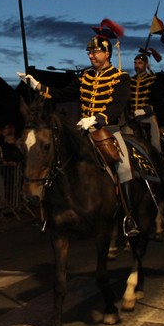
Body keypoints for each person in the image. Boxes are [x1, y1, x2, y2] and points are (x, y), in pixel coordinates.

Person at [18, 19, 137, 235]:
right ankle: (53, 212)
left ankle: (129, 216)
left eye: (95, 52)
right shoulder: (85, 77)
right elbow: (62, 94)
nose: (91, 55)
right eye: (89, 52)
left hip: (108, 130)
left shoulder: (121, 77)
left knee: (125, 168)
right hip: (82, 131)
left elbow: (118, 105)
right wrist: (38, 85)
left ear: (107, 53)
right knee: (58, 162)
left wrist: (96, 119)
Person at [128, 51, 162, 152]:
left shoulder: (153, 80)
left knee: (154, 133)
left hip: (147, 116)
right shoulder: (130, 81)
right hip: (132, 118)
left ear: (146, 65)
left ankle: (157, 153)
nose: (137, 65)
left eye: (140, 63)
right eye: (135, 63)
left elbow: (158, 102)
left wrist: (144, 111)